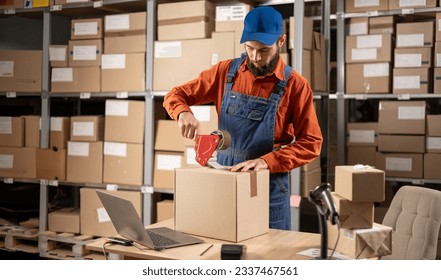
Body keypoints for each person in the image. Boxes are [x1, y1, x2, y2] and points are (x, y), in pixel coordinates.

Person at [163, 6, 323, 230]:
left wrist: (267, 161)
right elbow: (175, 94)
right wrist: (183, 112)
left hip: (269, 190)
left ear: (281, 41)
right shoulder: (225, 72)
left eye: (264, 50)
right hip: (225, 183)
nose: (256, 58)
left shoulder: (296, 86)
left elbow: (311, 143)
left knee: (271, 256)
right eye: (250, 48)